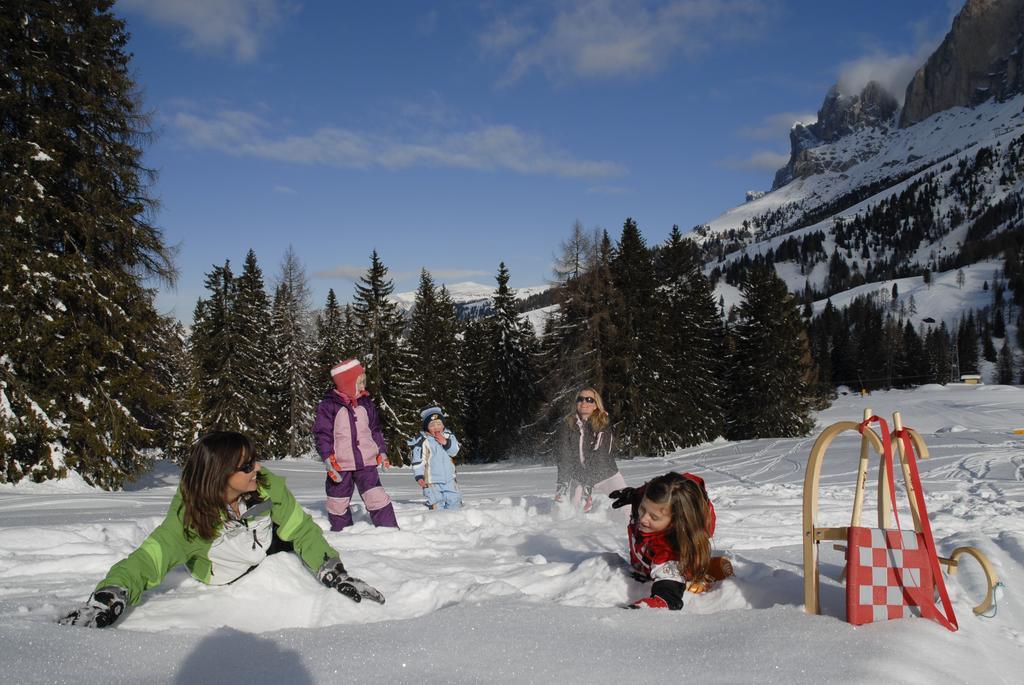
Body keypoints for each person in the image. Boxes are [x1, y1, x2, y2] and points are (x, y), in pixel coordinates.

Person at [58, 431, 384, 628]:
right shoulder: (191, 520)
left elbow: (302, 530)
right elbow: (146, 561)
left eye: (254, 459)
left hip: (262, 546)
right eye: (246, 466)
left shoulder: (266, 486)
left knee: (288, 535)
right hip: (223, 571)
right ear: (219, 474)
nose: (257, 467)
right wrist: (110, 595)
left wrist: (334, 571)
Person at [610, 471, 733, 610]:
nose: (643, 519)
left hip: (673, 557)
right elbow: (649, 497)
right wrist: (634, 495)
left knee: (677, 571)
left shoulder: (668, 552)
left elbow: (668, 597)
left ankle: (699, 571)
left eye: (654, 517)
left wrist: (645, 607)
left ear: (675, 522)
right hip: (647, 554)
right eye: (642, 509)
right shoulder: (658, 501)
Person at [312, 359, 398, 531]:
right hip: (340, 464)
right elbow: (322, 434)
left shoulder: (366, 403)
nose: (363, 386)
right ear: (346, 383)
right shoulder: (329, 406)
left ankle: (389, 530)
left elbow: (374, 430)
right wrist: (328, 458)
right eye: (359, 382)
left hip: (366, 462)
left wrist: (382, 451)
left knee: (376, 497)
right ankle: (342, 533)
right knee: (337, 501)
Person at [554, 387, 626, 512]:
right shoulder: (567, 425)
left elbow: (600, 456)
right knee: (572, 511)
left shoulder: (603, 424)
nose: (584, 402)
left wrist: (588, 488)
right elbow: (564, 456)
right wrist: (563, 484)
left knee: (627, 505)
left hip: (606, 474)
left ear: (596, 405)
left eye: (589, 400)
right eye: (580, 399)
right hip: (580, 476)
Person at [408, 406, 462, 510]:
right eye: (432, 425)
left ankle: (455, 521)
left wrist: (446, 443)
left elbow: (454, 451)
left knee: (454, 500)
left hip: (450, 479)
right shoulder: (423, 441)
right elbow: (418, 460)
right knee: (436, 502)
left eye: (439, 424)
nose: (436, 427)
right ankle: (437, 521)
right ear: (426, 427)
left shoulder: (448, 435)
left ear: (443, 425)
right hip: (432, 481)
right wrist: (419, 476)